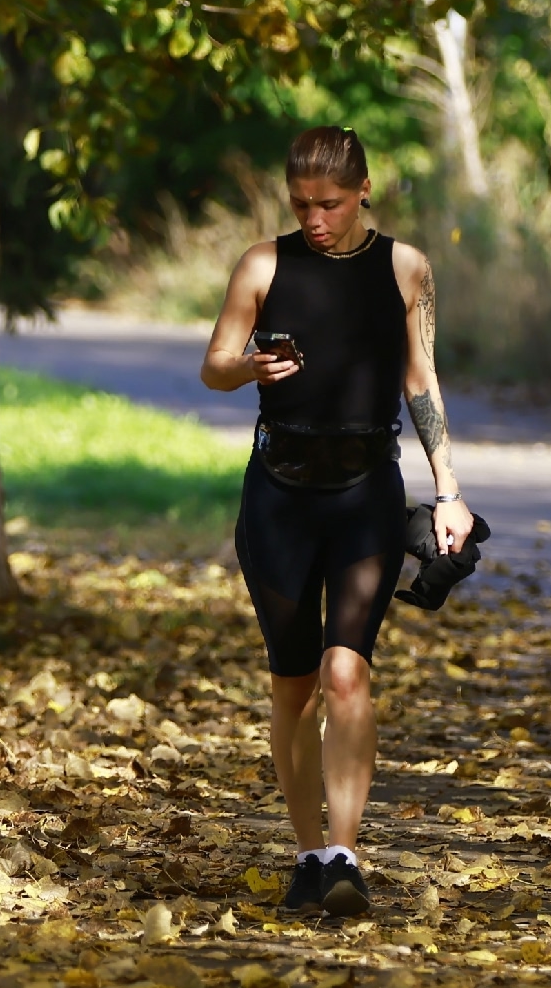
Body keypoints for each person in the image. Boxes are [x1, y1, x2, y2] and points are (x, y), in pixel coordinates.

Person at [198, 127, 472, 917]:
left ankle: (345, 855)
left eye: (330, 203)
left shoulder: (406, 268)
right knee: (294, 684)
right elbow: (214, 366)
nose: (315, 219)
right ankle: (308, 854)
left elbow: (420, 380)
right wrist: (249, 366)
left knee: (347, 672)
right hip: (278, 496)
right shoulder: (263, 265)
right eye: (301, 205)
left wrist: (448, 490)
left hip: (365, 492)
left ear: (364, 192)